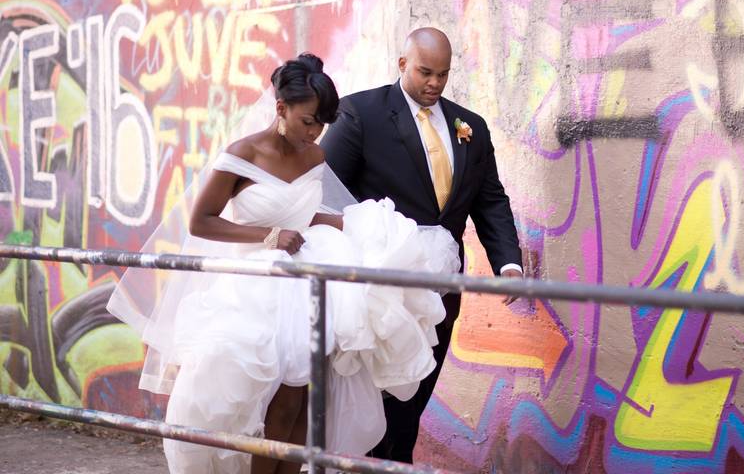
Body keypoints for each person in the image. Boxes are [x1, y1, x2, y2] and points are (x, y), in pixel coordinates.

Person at [107, 53, 461, 474]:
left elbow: (303, 212)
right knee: (265, 399)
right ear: (281, 108)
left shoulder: (313, 156)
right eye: (309, 120)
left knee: (303, 397)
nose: (316, 132)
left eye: (323, 123)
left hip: (306, 274)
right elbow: (201, 222)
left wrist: (353, 223)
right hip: (256, 283)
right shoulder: (242, 155)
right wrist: (269, 237)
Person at [321, 27, 523, 464]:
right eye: (425, 72)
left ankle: (395, 462)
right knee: (378, 398)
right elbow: (324, 194)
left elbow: (490, 201)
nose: (434, 83)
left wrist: (508, 265)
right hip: (378, 289)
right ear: (402, 64)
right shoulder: (360, 114)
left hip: (442, 290)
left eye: (443, 75)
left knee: (415, 395)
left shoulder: (471, 127)